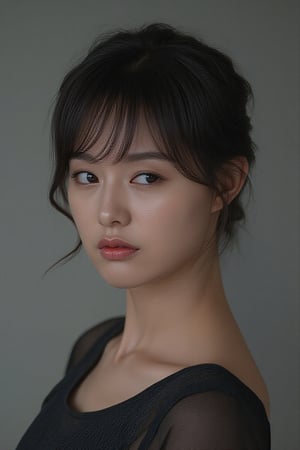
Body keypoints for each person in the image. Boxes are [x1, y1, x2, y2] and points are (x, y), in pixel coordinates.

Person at [16, 23, 271, 450]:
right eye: (87, 175)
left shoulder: (210, 418)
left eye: (146, 176)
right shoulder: (95, 346)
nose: (107, 212)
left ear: (225, 184)